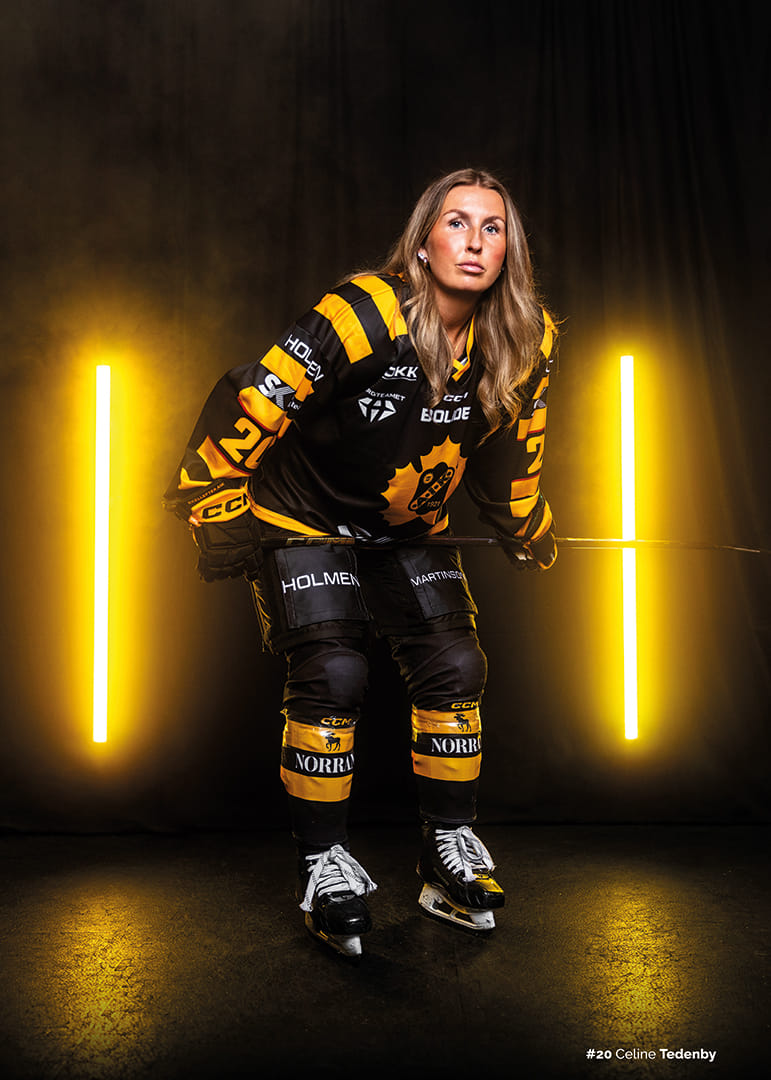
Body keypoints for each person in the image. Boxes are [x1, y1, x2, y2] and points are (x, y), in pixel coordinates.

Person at [164, 167, 558, 957]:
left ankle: (446, 850)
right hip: (304, 517)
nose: (474, 242)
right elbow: (257, 394)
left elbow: (514, 445)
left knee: (456, 665)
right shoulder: (361, 313)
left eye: (492, 227)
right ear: (422, 242)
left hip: (408, 526)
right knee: (335, 671)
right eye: (456, 223)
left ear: (509, 249)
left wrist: (525, 521)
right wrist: (214, 500)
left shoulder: (528, 337)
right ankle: (323, 864)